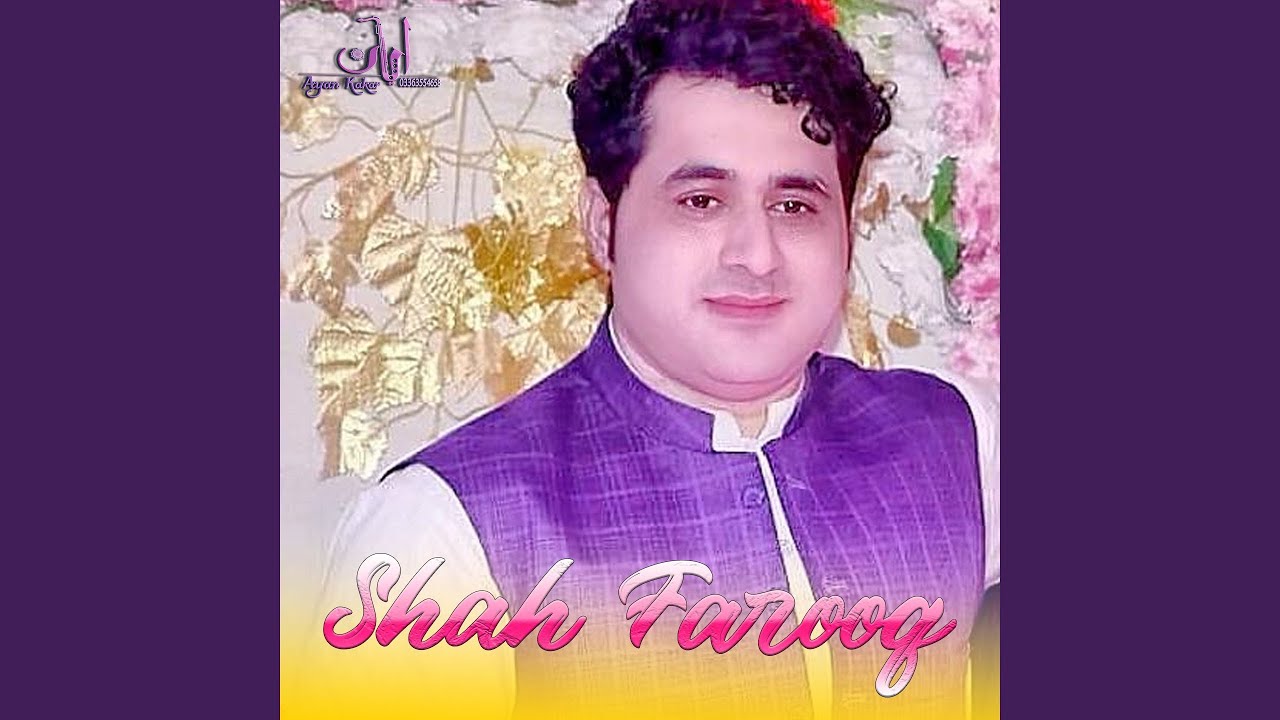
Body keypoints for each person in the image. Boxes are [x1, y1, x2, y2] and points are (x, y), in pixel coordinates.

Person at [319, 1, 999, 718]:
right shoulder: (442, 529)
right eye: (701, 201)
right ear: (602, 225)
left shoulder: (958, 437)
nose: (756, 256)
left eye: (795, 206)